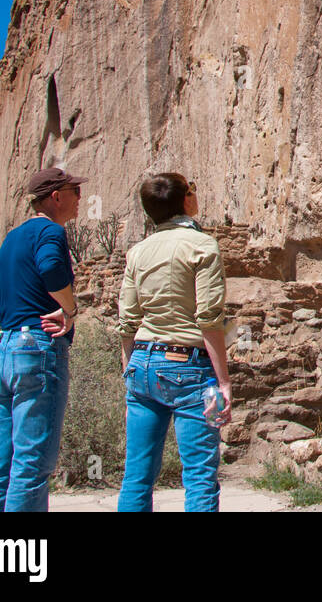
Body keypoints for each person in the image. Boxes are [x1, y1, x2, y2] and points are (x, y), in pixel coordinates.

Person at [118, 173, 231, 512]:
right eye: (192, 190)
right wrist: (224, 381)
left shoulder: (137, 253)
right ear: (186, 200)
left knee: (136, 475)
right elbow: (209, 320)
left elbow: (127, 321)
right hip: (189, 368)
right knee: (199, 476)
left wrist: (130, 374)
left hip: (142, 365)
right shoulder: (202, 245)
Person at [0, 167, 84, 512]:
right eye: (74, 191)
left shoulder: (11, 239)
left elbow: (0, 302)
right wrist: (69, 310)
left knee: (0, 462)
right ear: (56, 197)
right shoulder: (50, 231)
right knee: (32, 462)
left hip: (6, 351)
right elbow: (52, 269)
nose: (80, 198)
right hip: (37, 350)